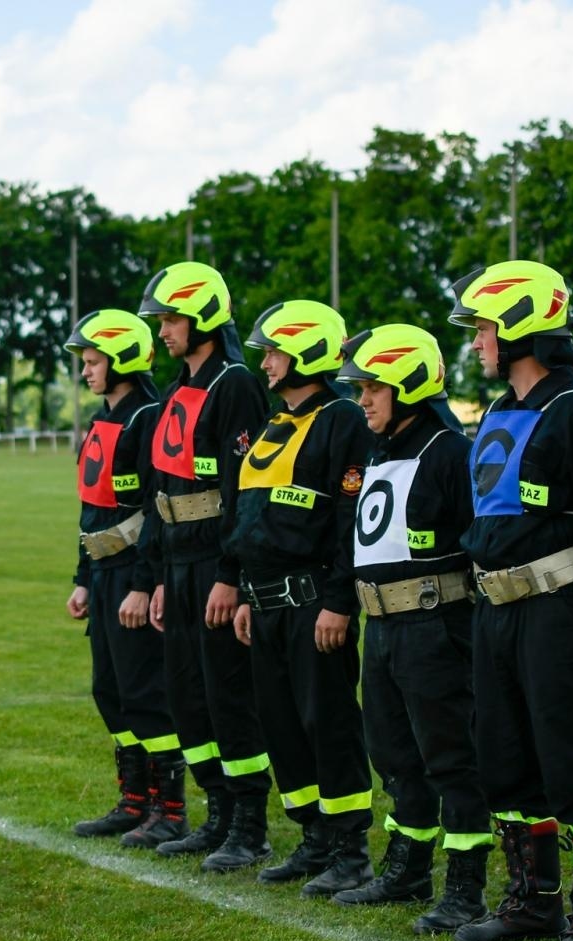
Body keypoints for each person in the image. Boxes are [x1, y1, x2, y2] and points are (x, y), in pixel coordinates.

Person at [446, 264, 573, 941]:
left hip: (561, 606)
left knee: (572, 756)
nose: (478, 344)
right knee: (502, 755)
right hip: (495, 608)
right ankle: (531, 899)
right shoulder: (497, 410)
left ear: (524, 326)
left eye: (486, 329)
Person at [328, 322, 491, 931]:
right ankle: (409, 865)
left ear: (410, 385)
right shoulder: (381, 447)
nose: (362, 399)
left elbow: (477, 540)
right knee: (394, 751)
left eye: (373, 387)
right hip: (384, 627)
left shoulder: (448, 450)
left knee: (450, 754)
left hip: (434, 626)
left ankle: (467, 885)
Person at [228, 301, 374, 893]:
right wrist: (243, 592)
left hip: (314, 601)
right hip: (263, 604)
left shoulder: (342, 420)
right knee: (282, 725)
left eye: (274, 351)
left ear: (309, 352)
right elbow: (250, 520)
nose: (264, 361)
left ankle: (351, 850)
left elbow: (349, 520)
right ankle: (313, 838)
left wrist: (339, 600)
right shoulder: (274, 423)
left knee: (328, 722)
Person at [135, 262, 275, 865]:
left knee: (227, 694)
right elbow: (161, 494)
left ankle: (248, 823)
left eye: (170, 319)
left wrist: (230, 575)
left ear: (203, 320)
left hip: (215, 564)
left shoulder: (237, 384)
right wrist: (163, 577)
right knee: (189, 696)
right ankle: (216, 812)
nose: (163, 331)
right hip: (179, 565)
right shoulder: (174, 389)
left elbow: (244, 491)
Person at [61, 309, 179, 841]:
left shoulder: (149, 417)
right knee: (109, 689)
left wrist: (143, 584)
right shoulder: (102, 421)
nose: (86, 372)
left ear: (123, 360)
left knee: (143, 691)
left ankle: (169, 810)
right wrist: (83, 576)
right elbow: (94, 508)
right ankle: (133, 800)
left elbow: (157, 509)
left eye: (92, 362)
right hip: (104, 575)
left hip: (134, 576)